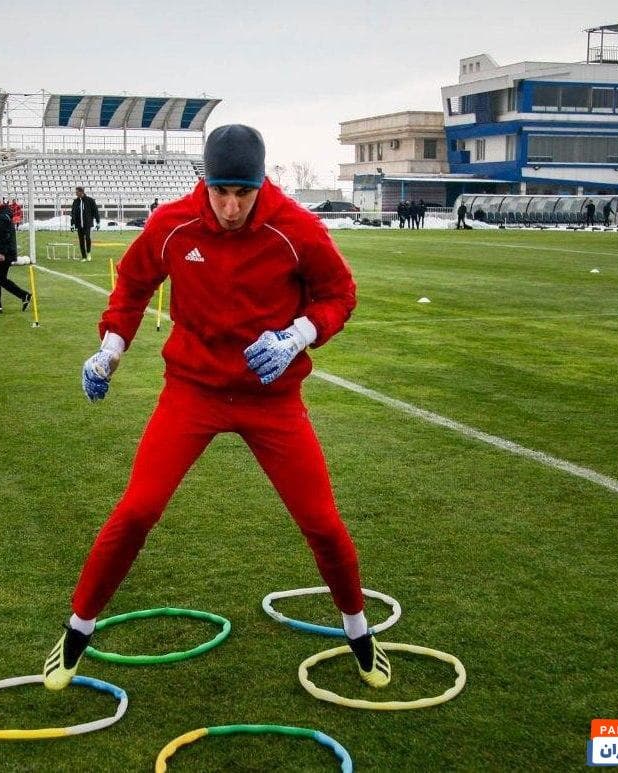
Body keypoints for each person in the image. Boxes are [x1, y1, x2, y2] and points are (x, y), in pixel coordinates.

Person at [41, 124, 391, 694]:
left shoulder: (295, 228)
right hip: (193, 392)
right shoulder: (171, 224)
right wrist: (109, 350)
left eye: (243, 193)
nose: (230, 207)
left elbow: (339, 293)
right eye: (220, 191)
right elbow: (131, 286)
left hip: (270, 399)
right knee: (137, 510)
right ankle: (77, 630)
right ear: (203, 181)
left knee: (322, 522)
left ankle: (358, 632)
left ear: (261, 184)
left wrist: (298, 334)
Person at [0, 191, 31, 314]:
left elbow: (5, 236)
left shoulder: (1, 216)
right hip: (1, 252)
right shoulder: (0, 214)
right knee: (1, 279)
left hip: (2, 253)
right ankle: (24, 295)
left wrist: (1, 253)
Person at [70, 186, 100, 261]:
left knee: (87, 238)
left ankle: (88, 253)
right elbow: (73, 213)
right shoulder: (75, 201)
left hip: (87, 223)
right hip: (79, 224)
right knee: (81, 240)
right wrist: (72, 224)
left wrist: (98, 222)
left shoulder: (90, 200)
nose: (76, 193)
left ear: (81, 192)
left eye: (77, 192)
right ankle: (83, 256)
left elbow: (95, 211)